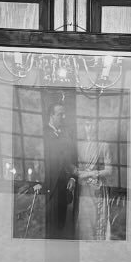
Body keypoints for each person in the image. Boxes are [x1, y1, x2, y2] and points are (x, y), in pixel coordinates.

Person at [42, 96, 77, 238]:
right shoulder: (42, 134)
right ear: (51, 115)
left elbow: (73, 157)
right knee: (47, 227)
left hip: (64, 188)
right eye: (60, 114)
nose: (63, 117)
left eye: (64, 114)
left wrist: (73, 178)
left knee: (61, 226)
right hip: (47, 187)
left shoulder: (67, 135)